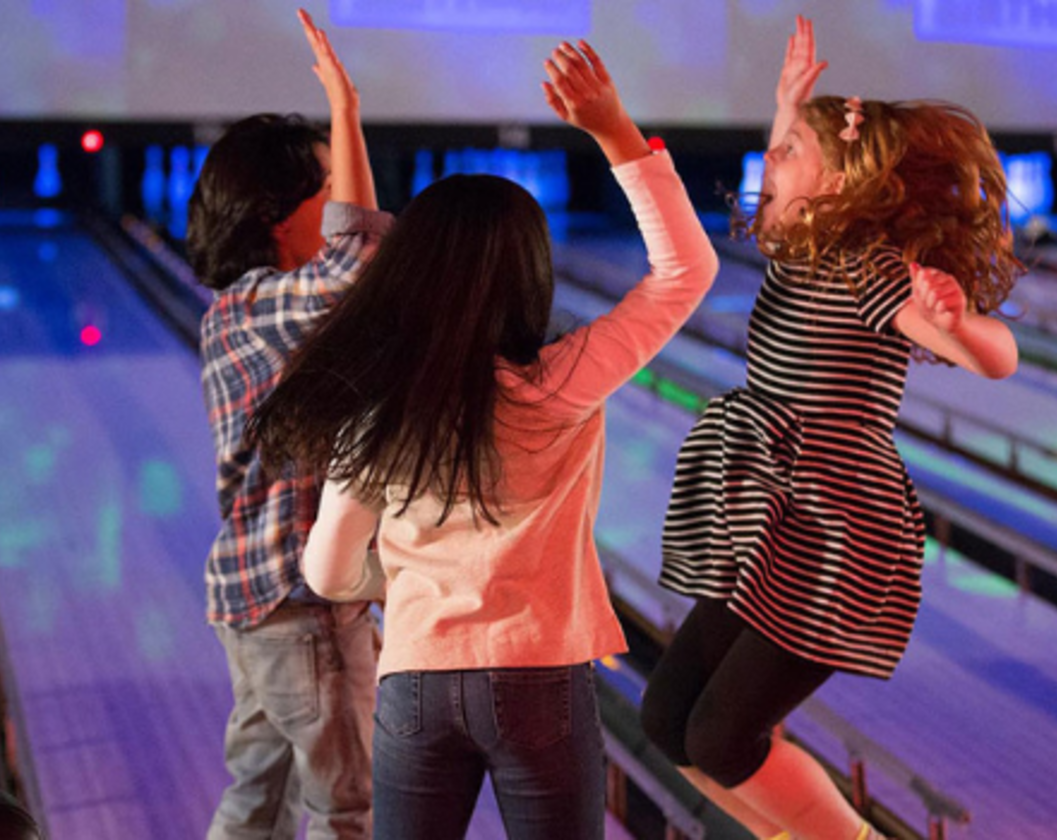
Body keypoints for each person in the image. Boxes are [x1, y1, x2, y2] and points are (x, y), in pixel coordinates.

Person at [247, 40, 718, 840]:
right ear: (529, 273)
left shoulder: (380, 406)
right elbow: (685, 271)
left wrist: (402, 581)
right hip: (539, 680)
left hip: (417, 684)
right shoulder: (561, 379)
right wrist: (612, 133)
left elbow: (326, 573)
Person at [640, 16, 1023, 840]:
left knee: (717, 734)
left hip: (838, 527)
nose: (767, 164)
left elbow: (1000, 359)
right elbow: (785, 188)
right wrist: (788, 105)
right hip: (774, 515)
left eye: (786, 154)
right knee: (668, 722)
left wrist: (958, 321)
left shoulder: (870, 269)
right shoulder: (797, 244)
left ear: (841, 180)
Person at [187, 10, 392, 839]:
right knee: (347, 811)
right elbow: (361, 261)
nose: (336, 205)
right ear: (280, 213)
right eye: (324, 187)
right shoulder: (257, 306)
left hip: (262, 604)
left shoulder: (250, 312)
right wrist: (344, 111)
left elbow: (361, 268)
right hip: (298, 604)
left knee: (257, 805)